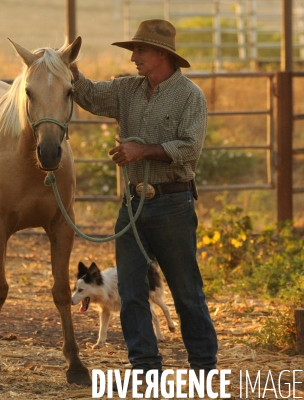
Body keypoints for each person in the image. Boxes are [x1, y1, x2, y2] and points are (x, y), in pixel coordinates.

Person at [70, 19, 218, 374]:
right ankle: (145, 368)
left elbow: (189, 148)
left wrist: (141, 151)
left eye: (140, 49)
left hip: (172, 204)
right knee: (133, 292)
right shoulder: (126, 90)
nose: (133, 56)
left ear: (162, 55)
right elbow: (89, 94)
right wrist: (68, 69)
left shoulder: (190, 97)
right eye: (134, 50)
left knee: (186, 292)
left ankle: (203, 367)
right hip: (133, 204)